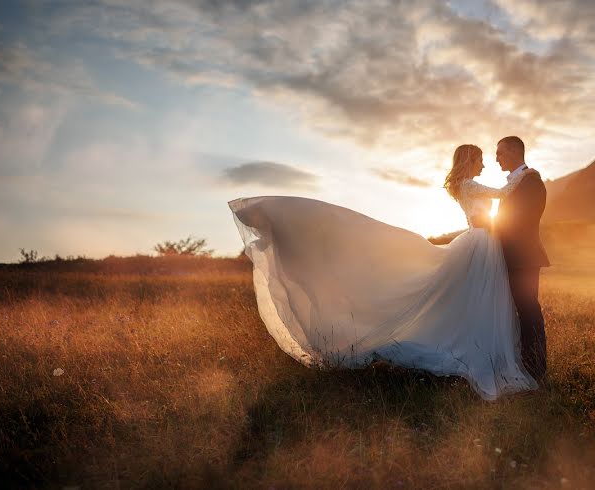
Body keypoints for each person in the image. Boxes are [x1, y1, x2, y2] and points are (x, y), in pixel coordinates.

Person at [229, 144, 541, 400]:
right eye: (482, 159)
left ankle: (474, 341)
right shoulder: (471, 184)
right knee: (475, 299)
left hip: (479, 243)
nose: (486, 164)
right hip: (480, 245)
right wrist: (526, 173)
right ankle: (477, 349)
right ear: (471, 159)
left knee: (469, 299)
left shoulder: (463, 185)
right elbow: (502, 195)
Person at [494, 136, 550, 381]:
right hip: (512, 256)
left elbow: (522, 219)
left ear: (515, 152)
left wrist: (490, 230)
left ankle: (536, 366)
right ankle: (524, 360)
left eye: (500, 152)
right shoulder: (515, 182)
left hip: (523, 257)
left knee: (528, 310)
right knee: (519, 310)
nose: (496, 158)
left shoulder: (531, 180)